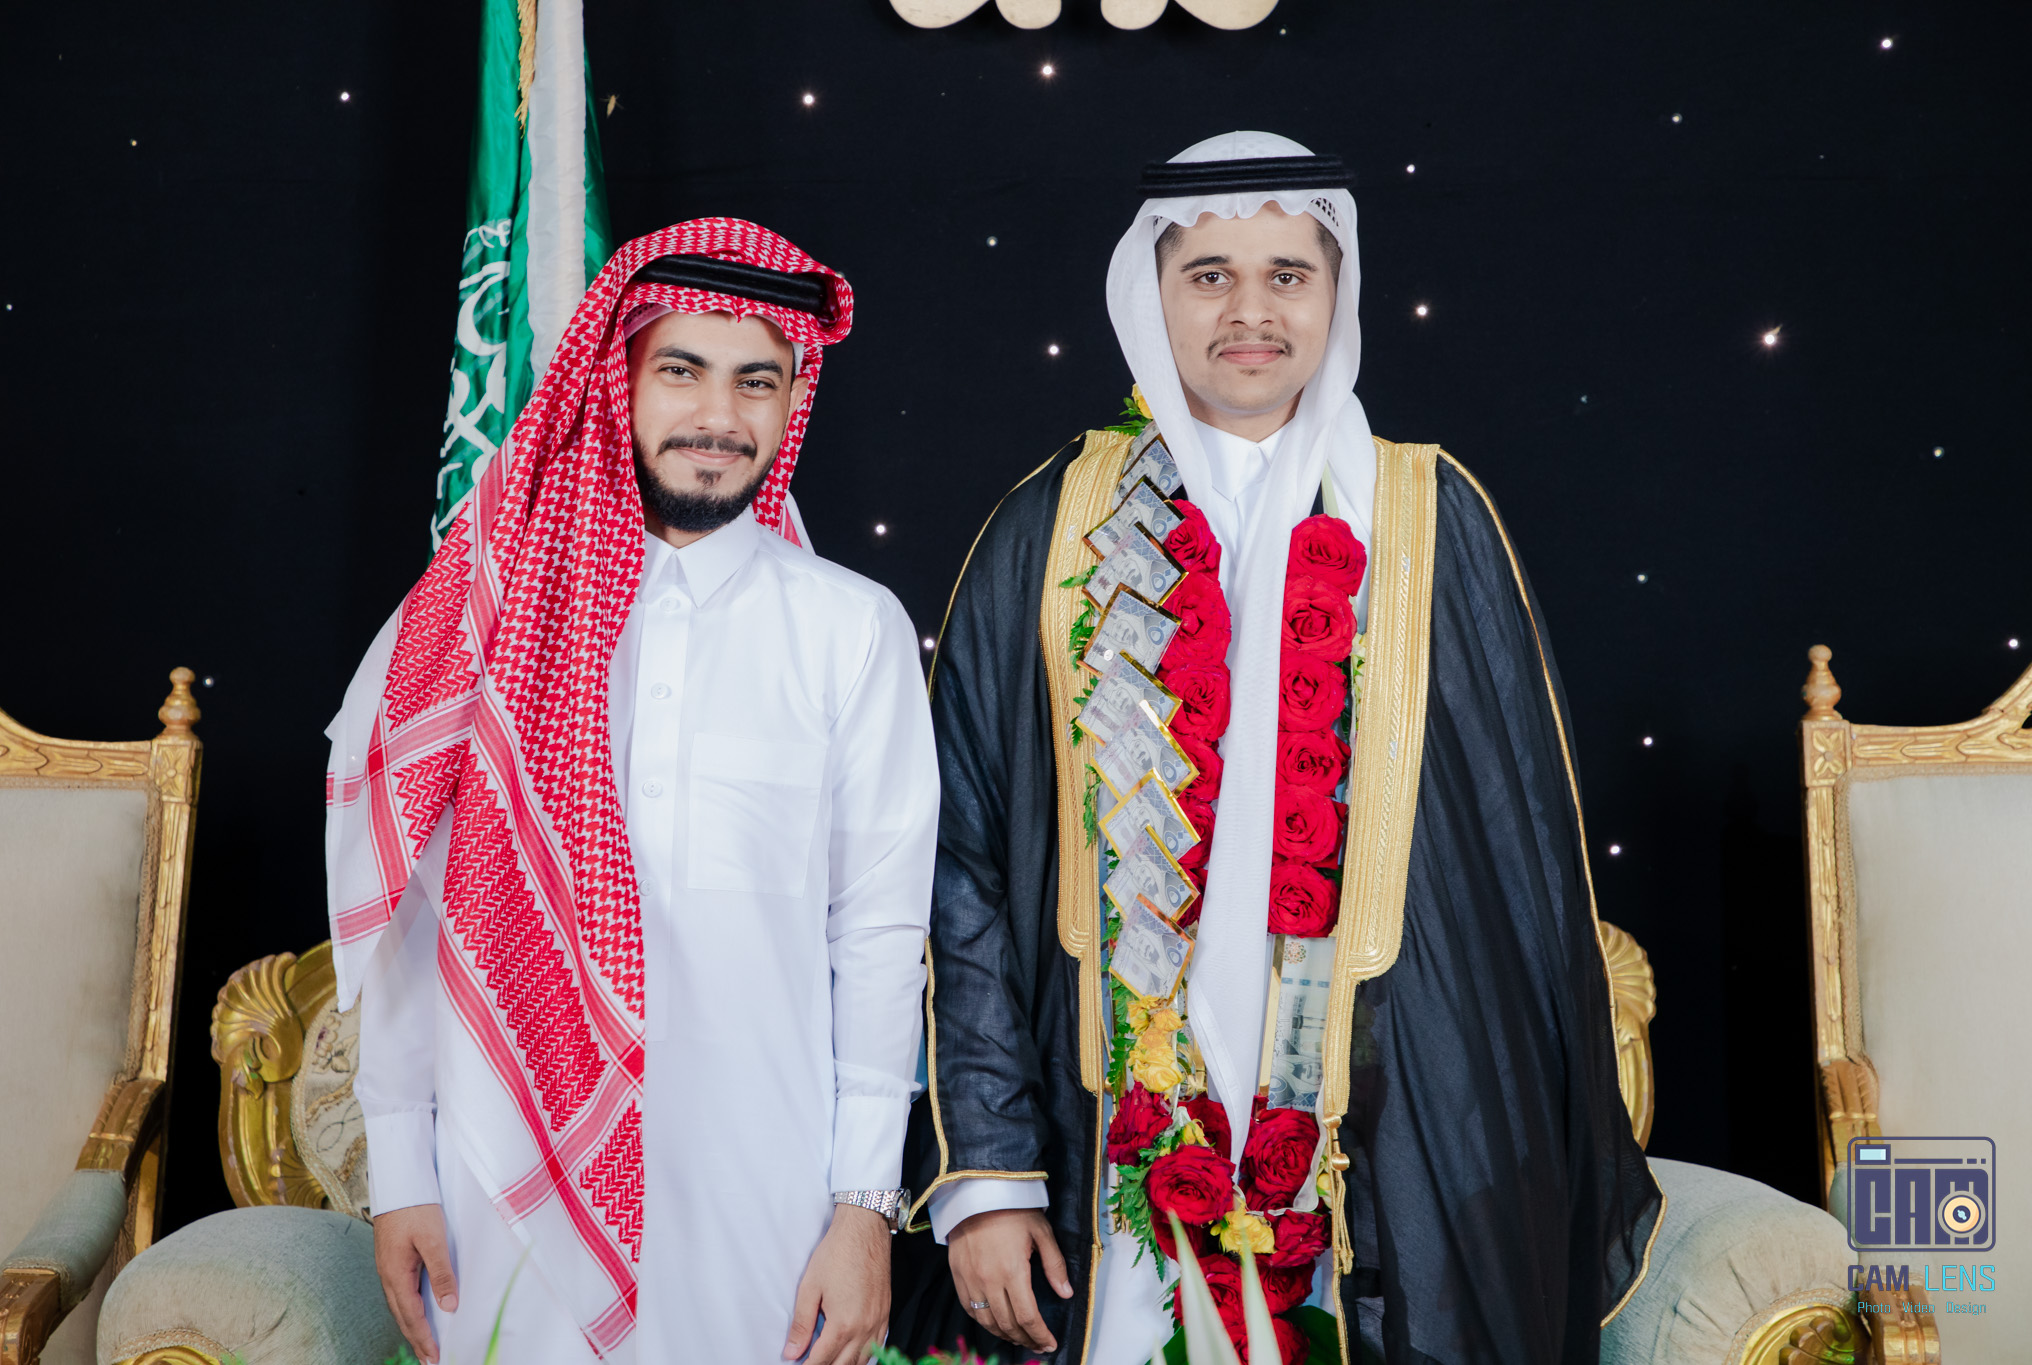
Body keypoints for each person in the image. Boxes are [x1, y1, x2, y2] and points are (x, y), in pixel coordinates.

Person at [894, 134, 1664, 1365]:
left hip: (1384, 1141)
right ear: (1150, 294)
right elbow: (961, 864)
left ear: (1334, 292)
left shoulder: (1431, 517)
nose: (1248, 312)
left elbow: (1518, 880)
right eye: (1208, 276)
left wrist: (1491, 1185)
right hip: (1107, 1140)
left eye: (1285, 275)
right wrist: (987, 1171)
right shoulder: (1050, 527)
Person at [326, 219, 939, 1365]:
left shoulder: (850, 630)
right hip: (502, 1181)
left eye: (756, 381)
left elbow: (878, 932)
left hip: (763, 1188)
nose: (718, 416)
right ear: (616, 381)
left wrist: (864, 1206)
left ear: (791, 400)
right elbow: (412, 904)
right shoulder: (486, 614)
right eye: (681, 371)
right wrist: (399, 1170)